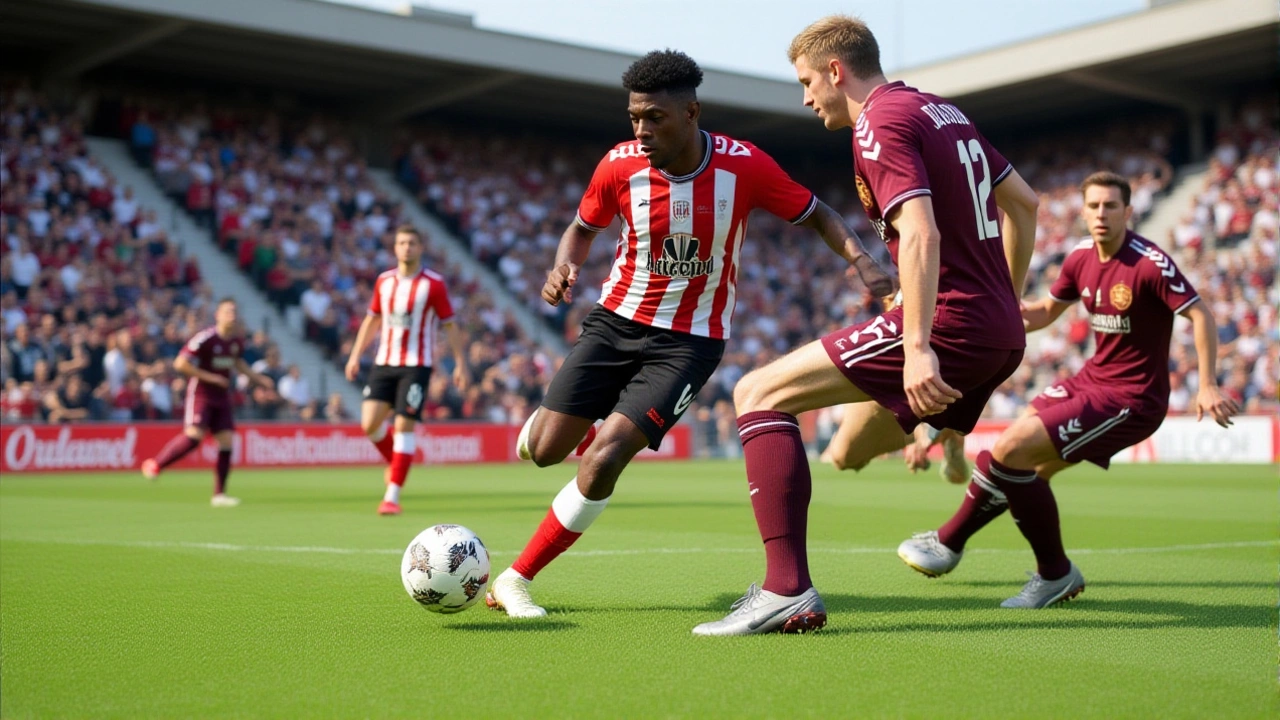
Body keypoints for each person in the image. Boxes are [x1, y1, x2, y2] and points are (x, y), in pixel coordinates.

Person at [485, 49, 897, 619]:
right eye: (634, 117)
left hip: (689, 343)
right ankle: (556, 425)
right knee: (544, 451)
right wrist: (564, 267)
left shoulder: (744, 165)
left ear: (690, 112)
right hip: (614, 323)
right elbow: (580, 230)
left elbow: (817, 212)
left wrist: (862, 261)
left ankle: (515, 579)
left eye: (654, 117)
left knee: (605, 459)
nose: (641, 129)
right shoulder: (619, 165)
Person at [693, 15, 1040, 636]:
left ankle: (785, 591)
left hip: (947, 320)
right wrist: (1007, 301)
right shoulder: (942, 111)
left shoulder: (878, 120)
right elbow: (1026, 204)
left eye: (806, 82)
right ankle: (943, 436)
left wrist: (917, 346)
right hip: (997, 331)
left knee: (757, 392)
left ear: (836, 71)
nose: (805, 99)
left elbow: (922, 232)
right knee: (844, 451)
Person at [896, 172, 1239, 607]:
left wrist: (1206, 383)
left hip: (1132, 399)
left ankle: (1038, 569)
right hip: (1090, 380)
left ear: (1129, 212)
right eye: (1093, 205)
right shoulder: (1079, 258)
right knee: (1019, 467)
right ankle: (953, 545)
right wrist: (995, 312)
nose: (1101, 214)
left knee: (1013, 451)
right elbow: (1044, 313)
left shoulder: (1149, 263)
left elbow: (1201, 314)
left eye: (1111, 206)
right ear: (1082, 211)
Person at [345, 225, 470, 515]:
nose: (406, 248)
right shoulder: (384, 282)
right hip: (384, 362)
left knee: (403, 425)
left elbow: (450, 325)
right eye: (401, 243)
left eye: (412, 243)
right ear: (395, 248)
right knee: (369, 424)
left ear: (420, 248)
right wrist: (355, 356)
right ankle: (397, 462)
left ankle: (392, 496)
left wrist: (460, 363)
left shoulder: (434, 284)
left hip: (416, 365)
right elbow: (372, 321)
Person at [142, 298, 274, 507]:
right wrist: (211, 378)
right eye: (228, 311)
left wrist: (259, 380)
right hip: (202, 394)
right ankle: (155, 464)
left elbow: (237, 362)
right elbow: (180, 363)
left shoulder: (236, 341)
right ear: (218, 315)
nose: (232, 315)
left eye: (234, 311)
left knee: (227, 442)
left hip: (222, 397)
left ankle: (219, 494)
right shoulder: (206, 338)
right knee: (194, 437)